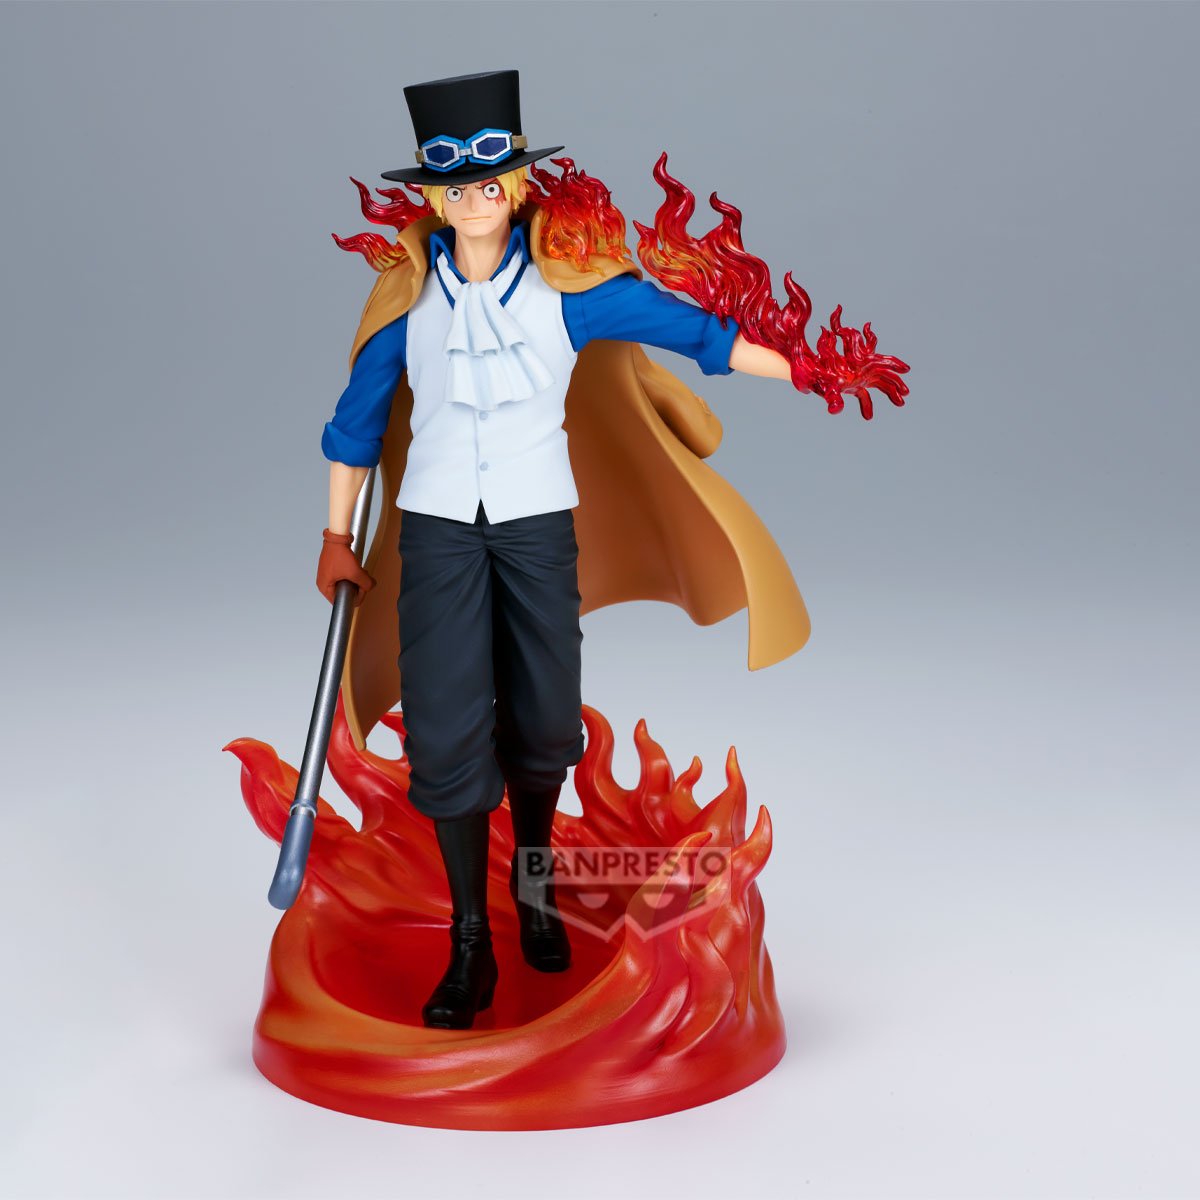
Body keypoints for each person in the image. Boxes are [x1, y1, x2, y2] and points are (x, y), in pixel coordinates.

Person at [316, 70, 849, 1030]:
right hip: (437, 530)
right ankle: (469, 943)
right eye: (453, 182)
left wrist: (805, 367)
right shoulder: (405, 299)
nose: (474, 197)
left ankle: (535, 886)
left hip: (535, 526)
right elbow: (355, 426)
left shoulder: (570, 290)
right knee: (443, 729)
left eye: (490, 178)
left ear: (517, 183)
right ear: (431, 194)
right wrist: (333, 536)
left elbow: (699, 335)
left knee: (545, 715)